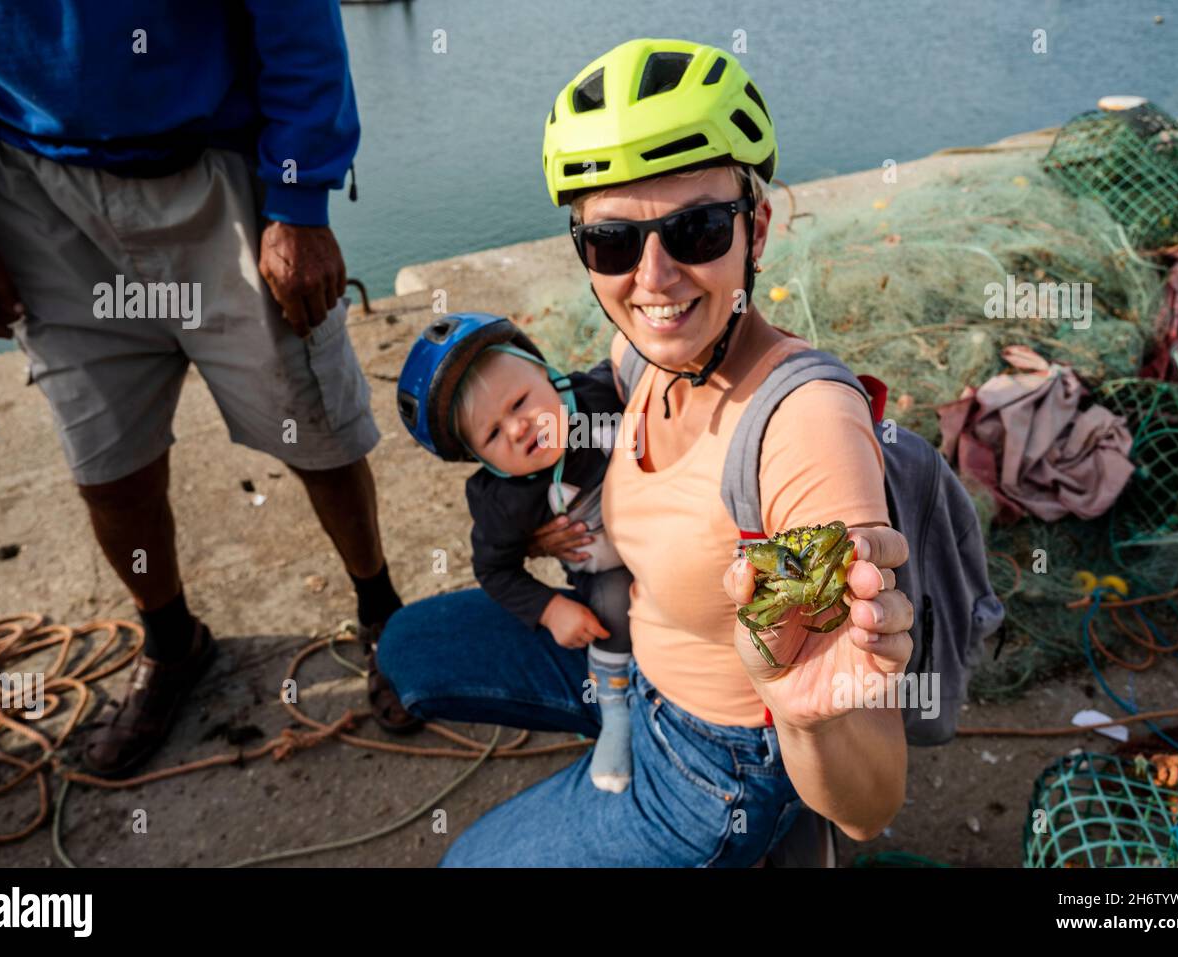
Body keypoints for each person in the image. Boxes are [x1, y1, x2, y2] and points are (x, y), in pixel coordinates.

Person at [378, 38, 915, 866]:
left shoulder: (804, 425)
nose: (654, 278)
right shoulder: (641, 359)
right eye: (613, 244)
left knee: (465, 864)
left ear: (756, 229)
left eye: (695, 229)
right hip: (628, 652)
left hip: (718, 755)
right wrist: (530, 515)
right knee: (409, 645)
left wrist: (808, 713)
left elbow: (872, 804)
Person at [0, 1, 418, 777]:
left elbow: (294, 16)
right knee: (104, 452)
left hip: (218, 164)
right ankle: (170, 639)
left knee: (315, 428)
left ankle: (381, 610)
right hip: (31, 183)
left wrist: (298, 197)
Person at [396, 314, 637, 792]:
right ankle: (617, 715)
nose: (518, 428)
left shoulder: (599, 400)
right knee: (613, 612)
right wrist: (550, 609)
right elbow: (493, 568)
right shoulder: (505, 502)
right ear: (478, 459)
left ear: (548, 376)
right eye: (491, 435)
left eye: (521, 402)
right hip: (610, 568)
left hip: (673, 532)